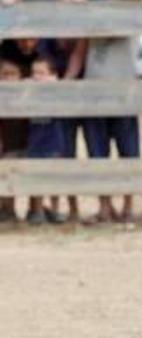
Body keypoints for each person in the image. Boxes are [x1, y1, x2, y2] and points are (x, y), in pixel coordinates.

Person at [66, 35, 141, 224]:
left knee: (129, 153)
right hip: (94, 96)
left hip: (125, 95)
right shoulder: (91, 18)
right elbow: (79, 54)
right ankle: (105, 206)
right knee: (97, 153)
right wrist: (66, 83)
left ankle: (128, 206)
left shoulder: (129, 13)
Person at [24, 56, 67, 225]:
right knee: (35, 175)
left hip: (53, 139)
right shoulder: (29, 91)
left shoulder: (55, 92)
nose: (37, 77)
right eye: (34, 73)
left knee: (54, 175)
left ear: (53, 75)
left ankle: (54, 208)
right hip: (35, 140)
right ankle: (37, 209)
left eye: (42, 73)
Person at [0, 56, 28, 223]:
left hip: (19, 146)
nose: (7, 78)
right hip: (4, 144)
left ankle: (9, 209)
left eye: (12, 74)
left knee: (11, 164)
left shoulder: (25, 97)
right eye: (4, 74)